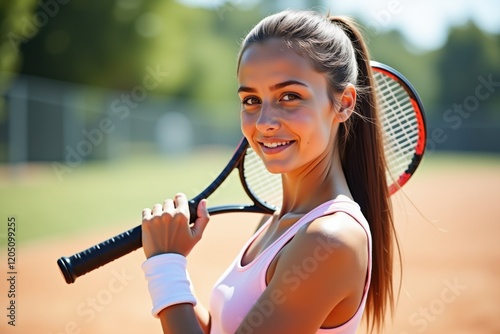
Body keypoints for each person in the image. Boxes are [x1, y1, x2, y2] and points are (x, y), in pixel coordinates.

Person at [141, 9, 399, 334]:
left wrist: (165, 266)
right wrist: (171, 263)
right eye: (251, 100)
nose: (264, 122)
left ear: (344, 103)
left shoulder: (329, 241)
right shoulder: (276, 221)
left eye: (289, 97)